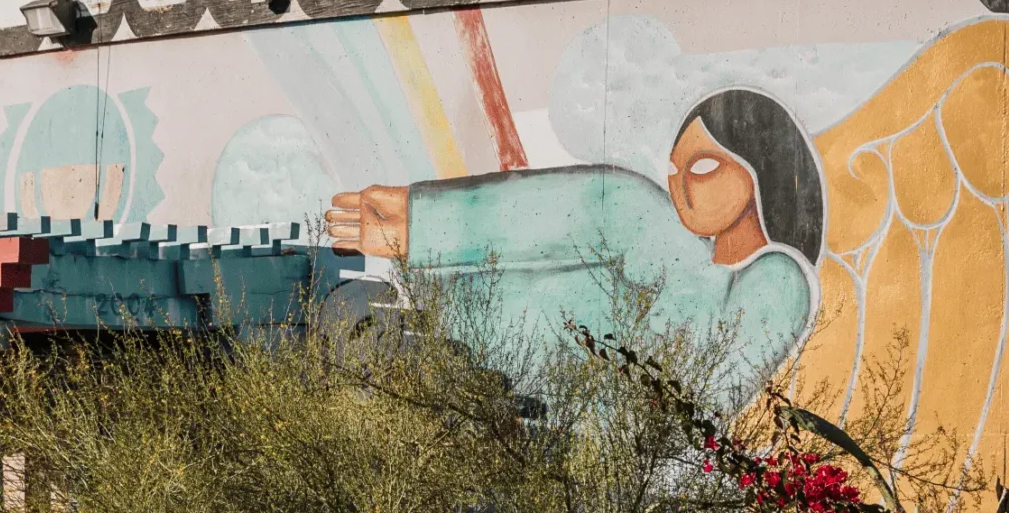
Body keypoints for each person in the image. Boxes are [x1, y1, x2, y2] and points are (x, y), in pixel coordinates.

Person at [328, 89, 821, 400]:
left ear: (762, 172)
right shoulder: (655, 233)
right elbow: (574, 213)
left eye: (704, 167)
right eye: (673, 171)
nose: (681, 189)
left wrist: (422, 224)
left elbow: (704, 382)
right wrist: (423, 223)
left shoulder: (780, 279)